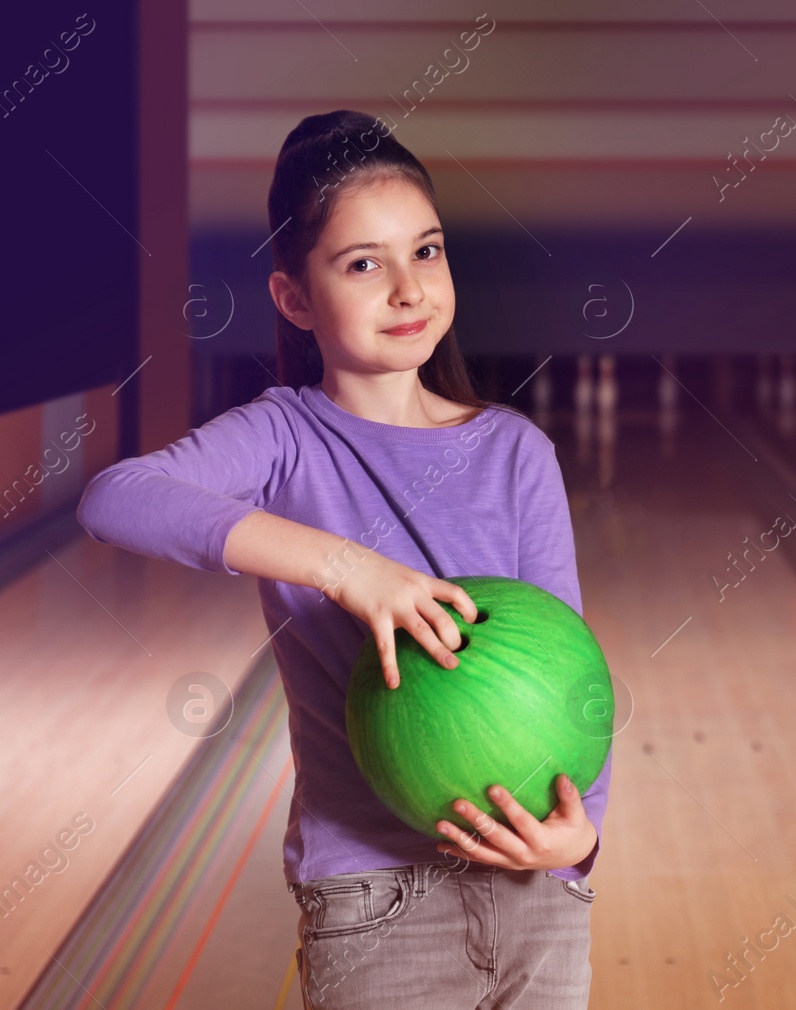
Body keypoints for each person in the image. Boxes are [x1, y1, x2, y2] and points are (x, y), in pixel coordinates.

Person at [75, 109, 611, 1008]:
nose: (408, 289)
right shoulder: (284, 438)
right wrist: (345, 568)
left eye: (427, 252)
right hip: (371, 899)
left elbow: (576, 681)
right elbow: (113, 498)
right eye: (364, 264)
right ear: (293, 297)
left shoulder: (517, 451)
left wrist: (579, 838)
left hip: (536, 892)